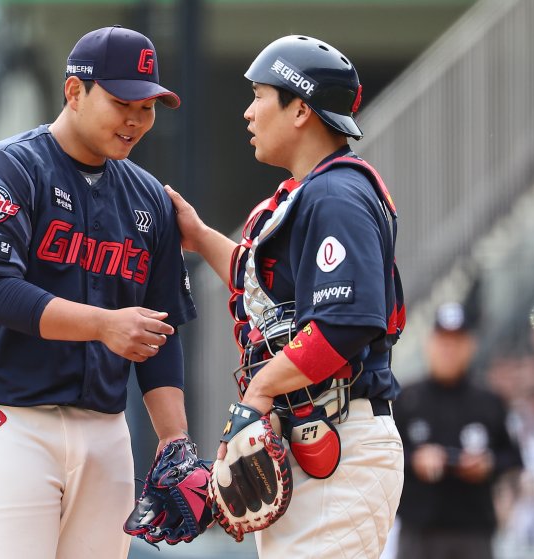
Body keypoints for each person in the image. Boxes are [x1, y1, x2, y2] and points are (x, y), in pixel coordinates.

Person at [0, 26, 196, 559]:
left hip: (104, 426)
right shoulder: (4, 171)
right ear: (74, 93)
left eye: (147, 106)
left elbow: (160, 331)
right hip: (5, 418)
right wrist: (105, 325)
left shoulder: (149, 199)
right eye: (122, 101)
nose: (135, 119)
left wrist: (176, 442)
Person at [166, 35, 405, 558]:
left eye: (259, 96)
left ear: (300, 109)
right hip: (316, 436)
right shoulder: (310, 193)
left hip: (337, 439)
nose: (248, 113)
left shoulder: (337, 194)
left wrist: (258, 394)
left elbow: (344, 324)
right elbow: (269, 302)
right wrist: (199, 234)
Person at [392, 301, 523, 559]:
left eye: (457, 342)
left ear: (470, 346)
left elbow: (514, 457)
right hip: (419, 532)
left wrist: (489, 463)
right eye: (443, 342)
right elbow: (384, 453)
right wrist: (414, 459)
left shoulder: (489, 401)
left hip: (473, 531)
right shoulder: (406, 399)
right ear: (429, 345)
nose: (448, 350)